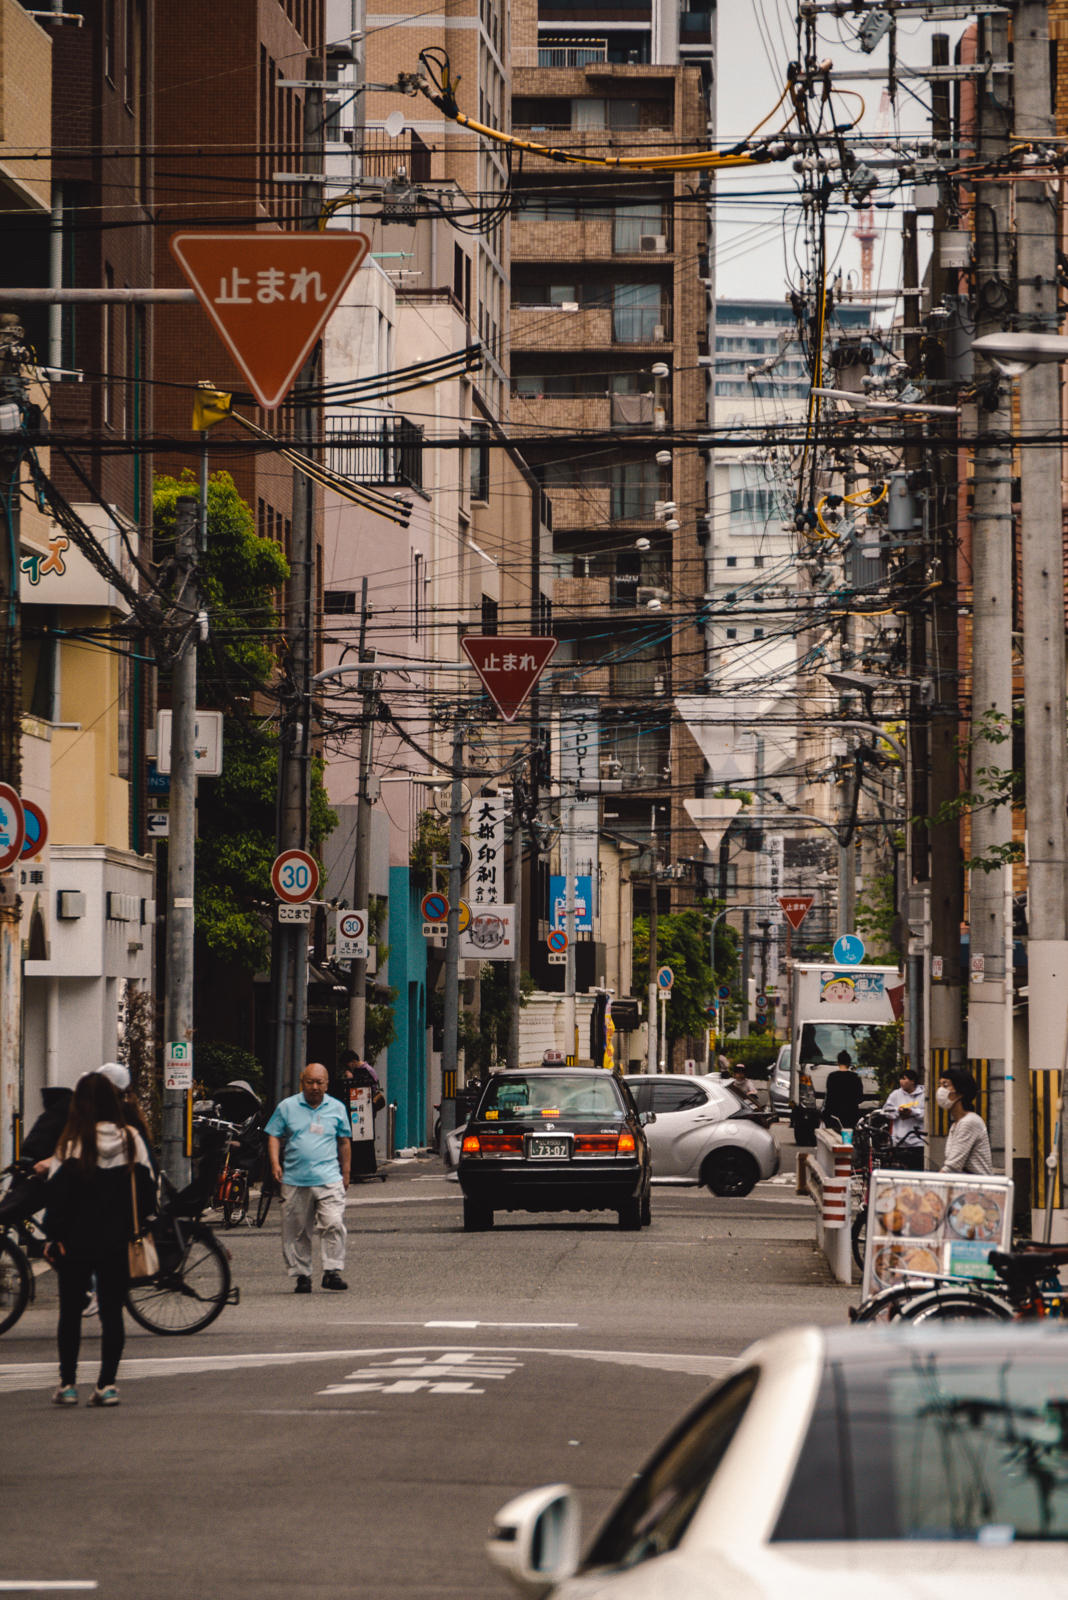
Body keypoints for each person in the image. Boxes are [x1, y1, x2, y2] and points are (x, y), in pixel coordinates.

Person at [42, 1071, 154, 1407]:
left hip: (74, 1243)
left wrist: (53, 1238)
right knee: (112, 1311)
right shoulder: (132, 1139)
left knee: (70, 1314)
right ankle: (106, 1385)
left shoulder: (72, 1142)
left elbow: (57, 1198)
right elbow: (148, 1194)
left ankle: (68, 1384)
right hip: (118, 1241)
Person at [266, 1063, 351, 1293]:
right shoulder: (287, 1107)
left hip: (329, 1177)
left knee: (333, 1223)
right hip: (295, 1179)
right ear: (302, 1082)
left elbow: (344, 1141)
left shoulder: (337, 1108)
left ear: (327, 1084)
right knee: (297, 1231)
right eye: (310, 1082)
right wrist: (275, 1163)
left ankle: (332, 1271)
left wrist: (346, 1172)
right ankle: (302, 1275)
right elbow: (273, 1135)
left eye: (319, 1082)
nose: (314, 1087)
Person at [338, 1050, 385, 1179]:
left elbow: (360, 1087)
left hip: (363, 1109)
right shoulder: (369, 1069)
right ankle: (367, 1167)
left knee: (362, 1138)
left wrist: (350, 1078)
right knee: (366, 1137)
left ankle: (362, 1168)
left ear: (352, 1062)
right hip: (367, 1110)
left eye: (348, 1065)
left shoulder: (363, 1071)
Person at [938, 1067, 993, 1175]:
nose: (940, 1091)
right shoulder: (956, 1124)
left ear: (960, 1092)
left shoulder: (969, 1122)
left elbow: (953, 1166)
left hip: (977, 1188)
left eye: (945, 1085)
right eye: (939, 1085)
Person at [882, 1064, 926, 1171]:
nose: (901, 1081)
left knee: (916, 1169)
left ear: (913, 1081)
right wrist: (898, 1111)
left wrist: (912, 1112)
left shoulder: (923, 1095)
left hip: (918, 1141)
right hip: (900, 1141)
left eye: (904, 1079)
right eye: (901, 1079)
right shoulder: (896, 1094)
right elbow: (886, 1111)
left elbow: (927, 1114)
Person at [822, 1050, 863, 1131]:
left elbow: (829, 1097)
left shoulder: (832, 1077)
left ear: (838, 1062)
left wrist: (825, 1114)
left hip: (834, 1114)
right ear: (849, 1063)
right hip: (851, 1114)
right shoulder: (855, 1077)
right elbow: (860, 1097)